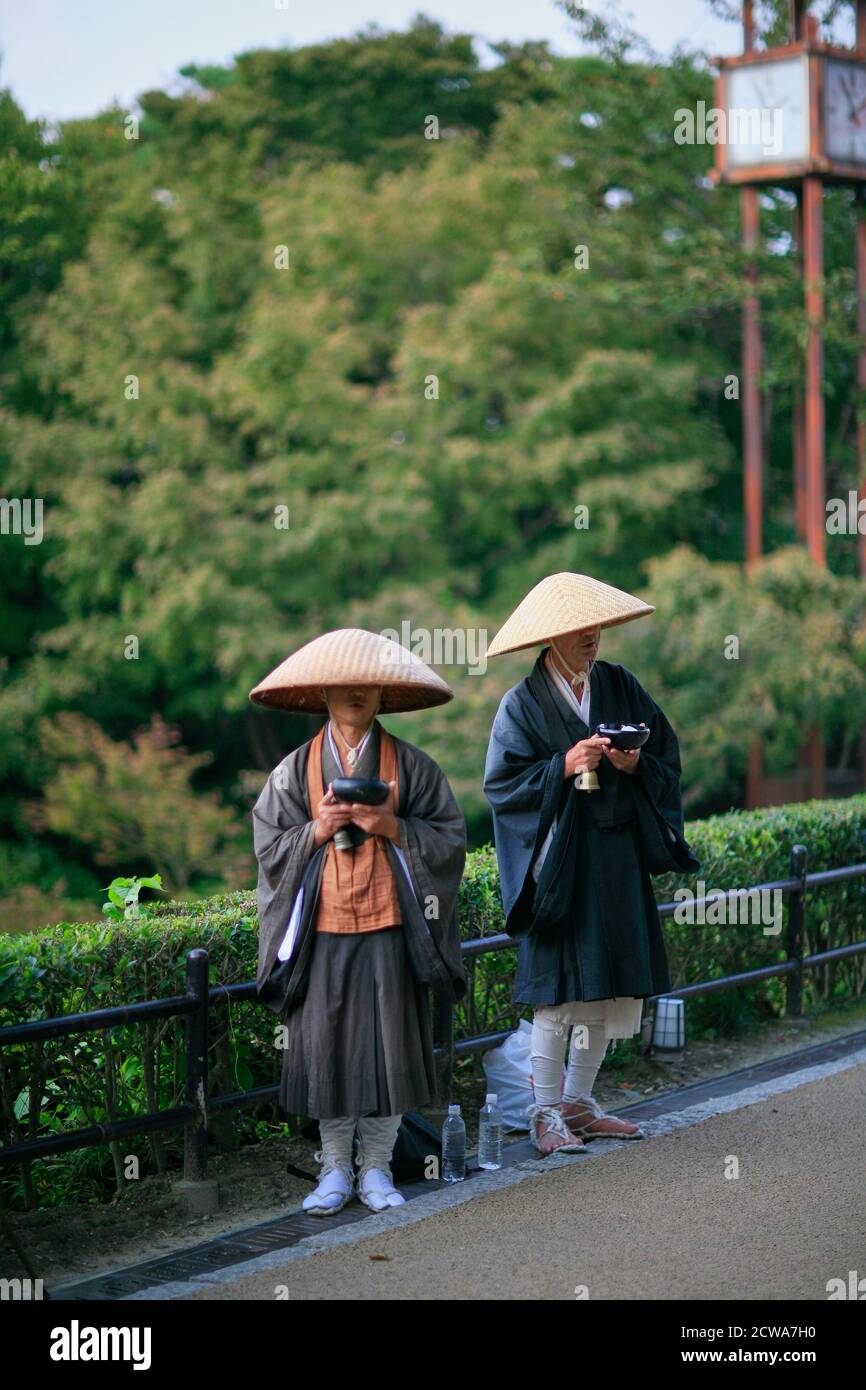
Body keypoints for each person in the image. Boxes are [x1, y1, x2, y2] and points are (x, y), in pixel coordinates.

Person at [250, 628, 466, 1215]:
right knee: (326, 1055)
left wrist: (392, 826)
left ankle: (376, 1170)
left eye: (366, 686)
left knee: (389, 1052)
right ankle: (334, 1171)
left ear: (382, 694)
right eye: (343, 686)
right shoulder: (295, 772)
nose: (355, 695)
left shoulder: (413, 768)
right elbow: (269, 847)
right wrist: (316, 830)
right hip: (321, 932)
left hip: (390, 929)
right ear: (323, 692)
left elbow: (449, 839)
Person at [483, 573, 700, 1156]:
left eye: (598, 625)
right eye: (581, 627)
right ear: (551, 637)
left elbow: (666, 755)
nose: (593, 635)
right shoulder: (521, 706)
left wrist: (633, 767)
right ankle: (544, 1111)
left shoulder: (619, 684)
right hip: (562, 864)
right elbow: (502, 788)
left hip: (618, 853)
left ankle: (579, 1102)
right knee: (558, 992)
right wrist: (562, 764)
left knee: (609, 989)